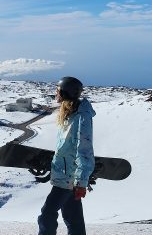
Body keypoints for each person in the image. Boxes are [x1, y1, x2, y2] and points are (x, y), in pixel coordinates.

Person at [38, 76, 96, 235]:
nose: (55, 93)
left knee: (46, 215)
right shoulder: (70, 115)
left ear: (65, 93)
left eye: (57, 90)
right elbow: (67, 149)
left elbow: (84, 149)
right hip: (67, 175)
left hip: (68, 177)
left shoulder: (81, 117)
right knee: (73, 219)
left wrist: (82, 181)